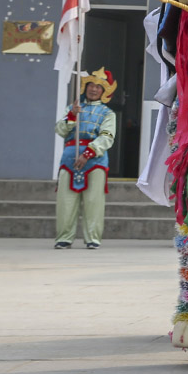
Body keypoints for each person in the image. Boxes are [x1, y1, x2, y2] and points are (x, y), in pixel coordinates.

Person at [54, 68, 117, 249]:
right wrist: (72, 115)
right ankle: (64, 238)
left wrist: (88, 153)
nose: (94, 89)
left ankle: (92, 239)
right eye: (91, 85)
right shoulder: (73, 108)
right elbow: (60, 130)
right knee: (66, 201)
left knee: (94, 202)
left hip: (94, 160)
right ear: (85, 86)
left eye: (99, 86)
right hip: (69, 159)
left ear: (104, 91)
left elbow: (107, 137)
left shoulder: (107, 113)